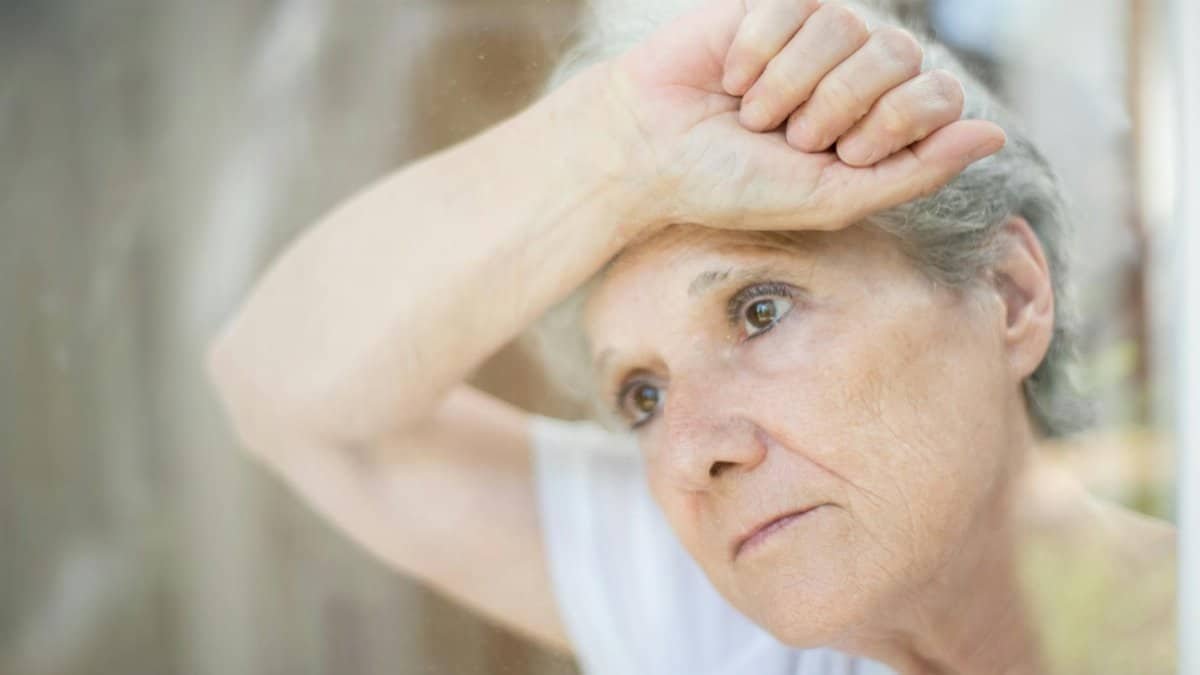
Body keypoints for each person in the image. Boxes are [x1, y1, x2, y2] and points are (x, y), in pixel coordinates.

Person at [206, 0, 1177, 673]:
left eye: (760, 310)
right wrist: (615, 146)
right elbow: (275, 386)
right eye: (643, 393)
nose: (691, 453)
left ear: (1009, 295)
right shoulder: (725, 628)